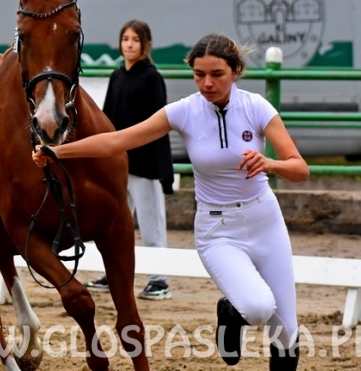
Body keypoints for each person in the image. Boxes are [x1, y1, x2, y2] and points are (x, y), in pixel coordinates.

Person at [33, 33, 307, 371]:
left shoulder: (257, 107)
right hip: (218, 229)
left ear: (236, 71)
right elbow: (116, 141)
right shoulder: (184, 111)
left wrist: (270, 164)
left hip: (265, 221)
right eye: (199, 75)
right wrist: (57, 151)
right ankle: (230, 311)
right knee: (257, 308)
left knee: (286, 331)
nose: (207, 83)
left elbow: (299, 169)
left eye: (217, 74)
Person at [83, 20, 175, 301]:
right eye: (125, 39)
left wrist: (163, 170)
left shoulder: (152, 77)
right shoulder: (117, 76)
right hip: (119, 166)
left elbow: (160, 125)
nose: (129, 44)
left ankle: (159, 280)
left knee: (151, 225)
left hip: (146, 167)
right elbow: (107, 118)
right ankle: (112, 274)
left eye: (135, 39)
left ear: (147, 44)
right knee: (113, 224)